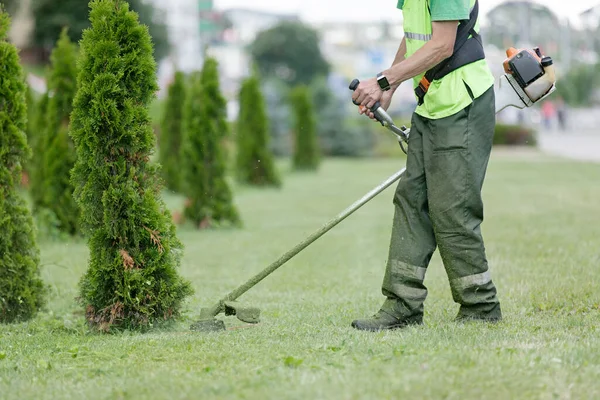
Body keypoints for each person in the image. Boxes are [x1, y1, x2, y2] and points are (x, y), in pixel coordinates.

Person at [350, 0, 502, 331]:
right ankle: (402, 306)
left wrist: (383, 80)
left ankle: (480, 305)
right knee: (411, 202)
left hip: (461, 103)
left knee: (452, 208)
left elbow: (443, 44)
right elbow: (414, 36)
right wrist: (390, 87)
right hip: (432, 102)